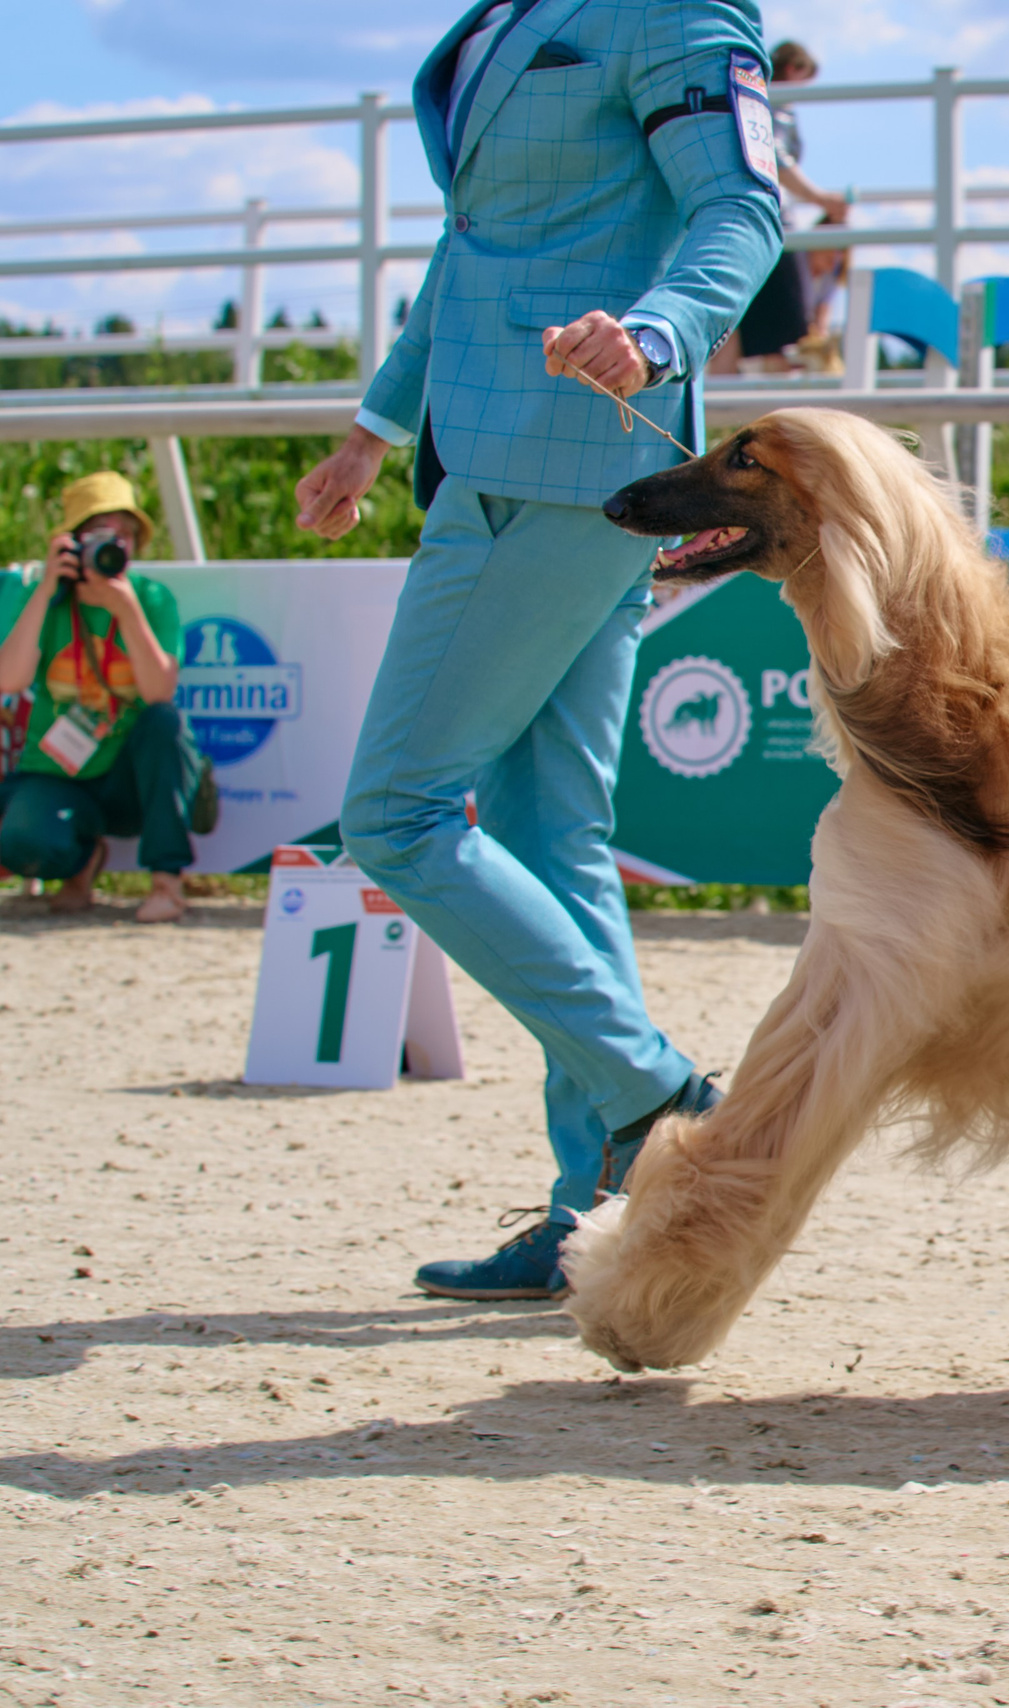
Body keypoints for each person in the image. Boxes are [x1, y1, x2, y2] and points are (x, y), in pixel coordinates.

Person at [290, 0, 784, 1301]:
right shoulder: (516, 16)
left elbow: (742, 207)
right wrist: (374, 429)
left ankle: (657, 1096)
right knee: (550, 833)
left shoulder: (670, 10)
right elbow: (476, 246)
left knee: (393, 813)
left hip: (556, 463)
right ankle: (597, 1216)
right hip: (503, 456)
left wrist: (659, 332)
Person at [0, 471, 199, 923]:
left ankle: (167, 881)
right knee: (21, 844)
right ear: (70, 543)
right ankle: (81, 863)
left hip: (128, 778)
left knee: (165, 724)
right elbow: (9, 680)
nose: (114, 544)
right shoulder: (42, 597)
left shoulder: (151, 598)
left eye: (125, 534)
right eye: (99, 534)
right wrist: (46, 588)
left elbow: (159, 693)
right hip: (56, 773)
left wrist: (126, 610)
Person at [710, 38, 847, 374]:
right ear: (793, 68)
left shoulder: (747, 95)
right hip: (770, 224)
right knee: (787, 339)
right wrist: (820, 198)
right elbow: (773, 157)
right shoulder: (773, 106)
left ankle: (721, 403)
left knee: (732, 329)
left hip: (733, 217)